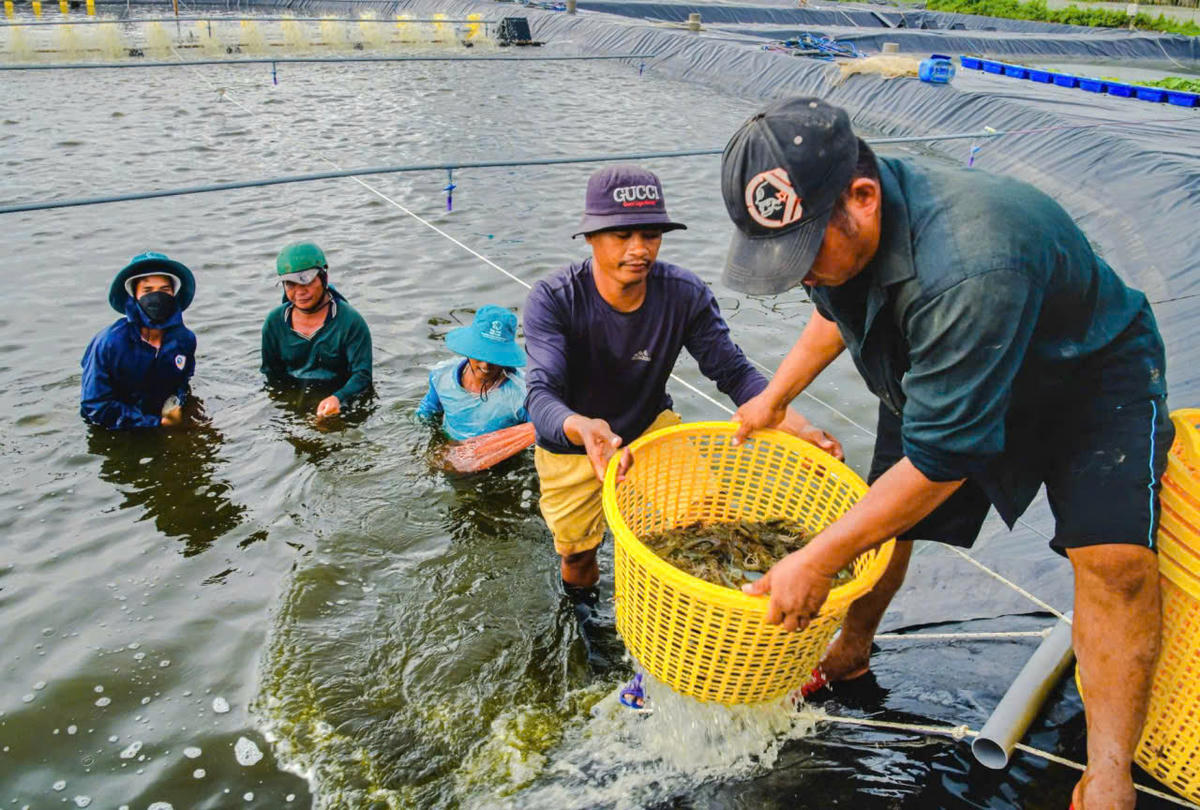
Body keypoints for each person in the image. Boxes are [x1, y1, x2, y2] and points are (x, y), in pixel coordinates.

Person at [720, 97, 1172, 810]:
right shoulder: (844, 247)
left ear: (862, 197)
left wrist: (816, 560)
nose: (800, 274)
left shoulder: (970, 259)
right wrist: (775, 397)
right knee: (881, 521)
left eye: (804, 254)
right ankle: (851, 648)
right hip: (942, 361)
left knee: (1115, 564)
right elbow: (831, 311)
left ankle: (1109, 771)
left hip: (1084, 373)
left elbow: (940, 463)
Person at [524, 164, 841, 594]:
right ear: (591, 237)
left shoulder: (684, 294)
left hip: (648, 427)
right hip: (573, 442)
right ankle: (582, 612)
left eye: (651, 235)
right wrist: (581, 426)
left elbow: (734, 373)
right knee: (578, 552)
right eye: (622, 235)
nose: (640, 249)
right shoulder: (554, 299)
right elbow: (541, 394)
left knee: (706, 525)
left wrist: (800, 428)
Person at [81, 251, 197, 430]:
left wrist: (177, 407)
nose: (157, 297)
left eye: (164, 290)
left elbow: (183, 383)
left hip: (162, 419)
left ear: (174, 293)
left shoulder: (185, 340)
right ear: (134, 295)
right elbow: (94, 406)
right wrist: (154, 423)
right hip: (115, 429)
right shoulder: (109, 343)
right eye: (147, 291)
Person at [261, 241, 373, 418]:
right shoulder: (274, 323)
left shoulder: (350, 322)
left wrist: (338, 398)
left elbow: (363, 376)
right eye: (291, 284)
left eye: (306, 282)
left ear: (323, 277)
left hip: (342, 398)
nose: (300, 292)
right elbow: (271, 374)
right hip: (294, 398)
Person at [417, 305, 529, 440]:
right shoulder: (441, 376)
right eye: (481, 354)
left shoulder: (523, 394)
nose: (486, 365)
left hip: (499, 451)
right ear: (470, 350)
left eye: (495, 357)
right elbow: (426, 413)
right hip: (448, 445)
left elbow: (541, 431)